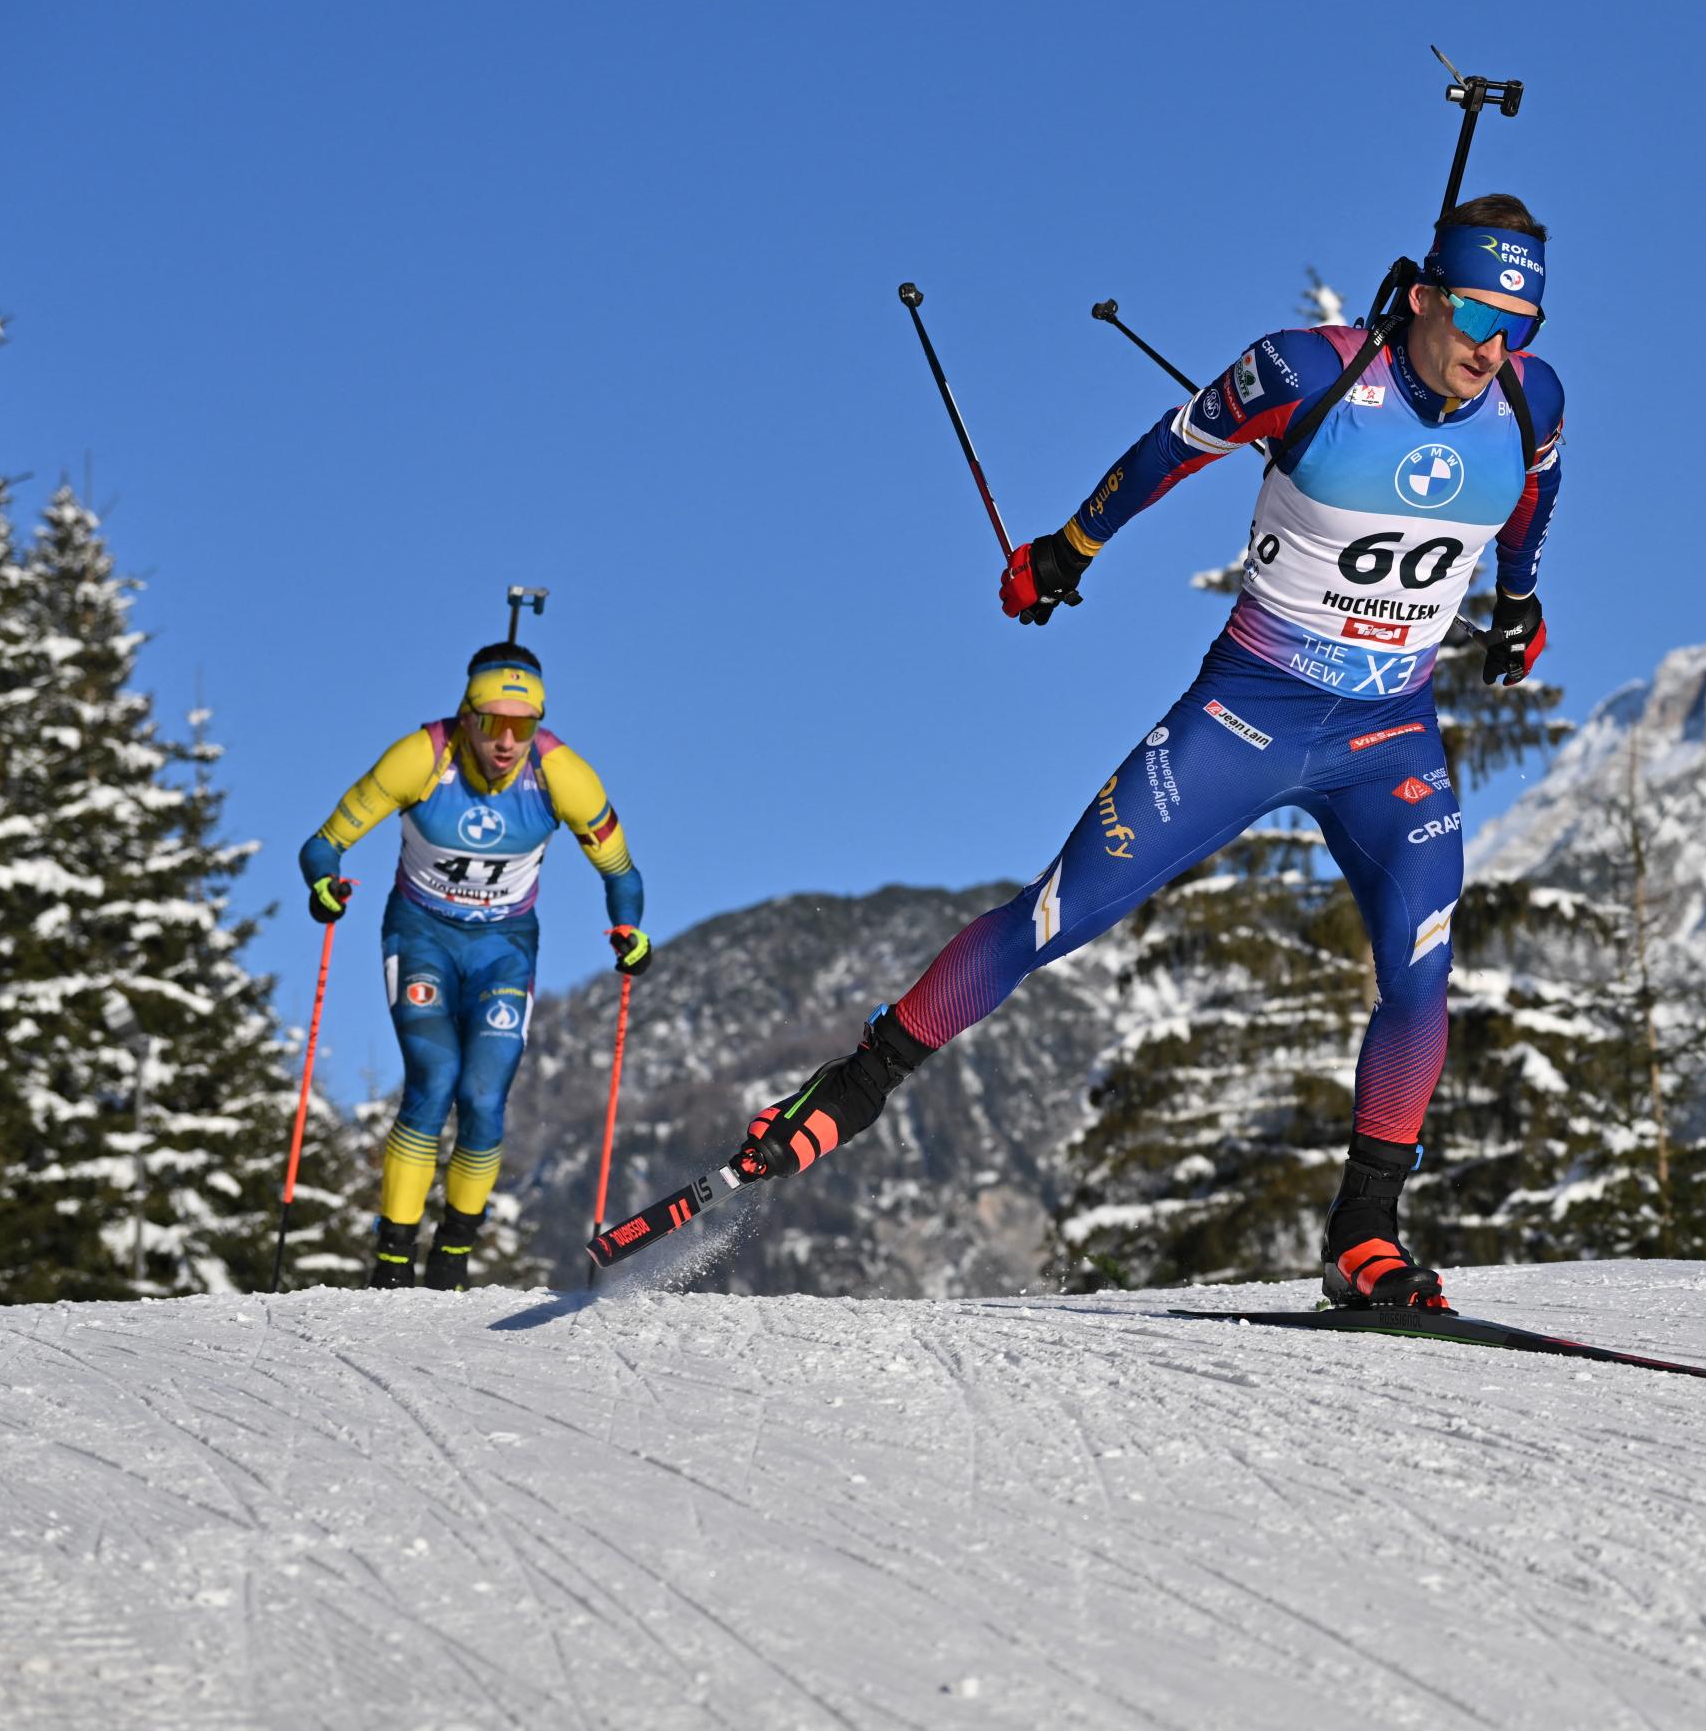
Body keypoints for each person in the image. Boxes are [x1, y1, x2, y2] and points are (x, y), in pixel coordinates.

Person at [730, 196, 1564, 1309]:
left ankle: (1366, 1234)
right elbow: (1175, 448)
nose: (1493, 346)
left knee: (1419, 977)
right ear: (1421, 294)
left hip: (1391, 738)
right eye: (1474, 313)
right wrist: (1069, 549)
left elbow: (1536, 489)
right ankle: (847, 1087)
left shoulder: (1526, 395)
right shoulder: (1306, 371)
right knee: (1055, 915)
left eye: (1522, 322)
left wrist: (1519, 599)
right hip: (1248, 717)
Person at [299, 641, 652, 1288]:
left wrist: (630, 929)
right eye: (493, 722)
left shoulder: (562, 775)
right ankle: (393, 1259)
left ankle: (454, 1255)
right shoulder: (421, 760)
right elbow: (324, 843)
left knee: (484, 1097)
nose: (508, 741)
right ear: (466, 716)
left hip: (504, 947)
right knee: (434, 1078)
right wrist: (324, 883)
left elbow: (622, 871)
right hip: (422, 934)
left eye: (525, 725)